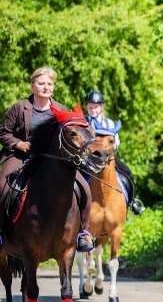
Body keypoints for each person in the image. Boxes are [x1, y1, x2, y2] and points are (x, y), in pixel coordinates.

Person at [0, 67, 94, 251]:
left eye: (49, 84)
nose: (46, 87)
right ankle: (1, 231)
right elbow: (3, 131)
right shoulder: (20, 108)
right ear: (32, 85)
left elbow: (71, 135)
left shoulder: (60, 109)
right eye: (41, 83)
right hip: (22, 156)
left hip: (53, 161)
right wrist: (19, 143)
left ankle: (83, 233)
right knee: (2, 187)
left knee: (85, 189)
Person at [84, 90, 145, 215]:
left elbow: (116, 140)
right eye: (90, 107)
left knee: (127, 171)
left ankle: (133, 202)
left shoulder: (109, 123)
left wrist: (110, 148)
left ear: (101, 107)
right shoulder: (84, 123)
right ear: (86, 107)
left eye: (96, 107)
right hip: (89, 160)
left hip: (107, 158)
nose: (93, 110)